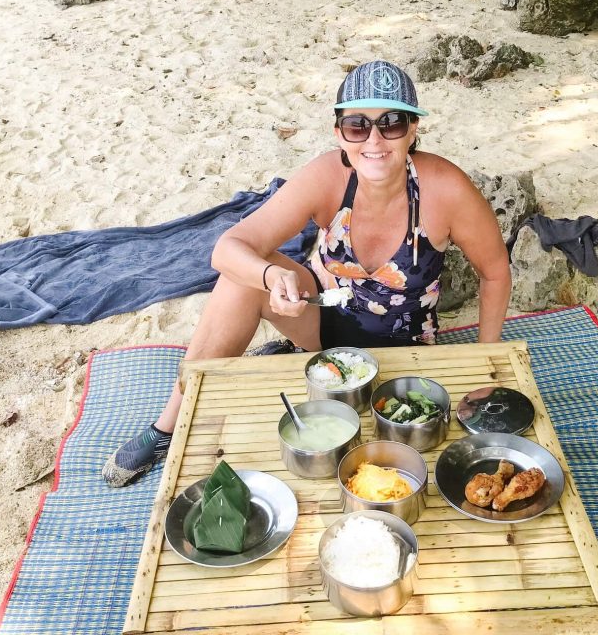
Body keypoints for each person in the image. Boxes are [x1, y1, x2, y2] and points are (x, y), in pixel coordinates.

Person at [102, 60, 511, 487]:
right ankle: (167, 425)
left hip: (404, 348)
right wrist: (269, 278)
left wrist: (484, 365)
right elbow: (227, 249)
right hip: (319, 320)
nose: (374, 139)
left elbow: (495, 271)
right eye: (357, 125)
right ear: (339, 133)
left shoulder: (445, 188)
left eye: (391, 123)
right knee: (239, 281)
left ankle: (292, 362)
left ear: (412, 130)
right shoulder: (326, 177)